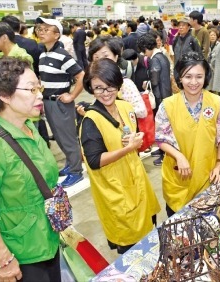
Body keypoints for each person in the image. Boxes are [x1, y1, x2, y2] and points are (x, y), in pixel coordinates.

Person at [0, 57, 60, 281]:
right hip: (22, 253)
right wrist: (3, 259)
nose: (40, 94)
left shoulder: (30, 130)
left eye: (39, 86)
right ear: (4, 95)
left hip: (50, 239)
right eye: (31, 89)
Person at [80, 58, 160, 254]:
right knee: (132, 248)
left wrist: (137, 136)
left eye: (110, 87)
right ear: (90, 87)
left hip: (137, 181)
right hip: (115, 189)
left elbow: (131, 132)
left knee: (149, 235)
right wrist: (128, 148)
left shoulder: (125, 107)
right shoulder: (91, 121)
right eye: (99, 88)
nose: (106, 93)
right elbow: (94, 161)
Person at [155, 52, 220, 217]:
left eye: (199, 76)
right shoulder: (167, 105)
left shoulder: (217, 103)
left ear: (206, 77)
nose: (194, 82)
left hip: (207, 177)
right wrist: (179, 156)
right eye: (188, 76)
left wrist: (219, 164)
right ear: (179, 77)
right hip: (178, 179)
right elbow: (161, 139)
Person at [36, 17, 85, 187]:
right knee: (58, 136)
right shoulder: (43, 54)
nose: (41, 32)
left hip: (60, 103)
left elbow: (81, 76)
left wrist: (71, 96)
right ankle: (71, 164)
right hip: (48, 102)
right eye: (39, 29)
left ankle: (76, 171)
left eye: (45, 29)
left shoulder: (62, 55)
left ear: (57, 35)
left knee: (68, 137)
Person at [137, 33, 172, 166]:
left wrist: (148, 83)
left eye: (143, 50)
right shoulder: (162, 56)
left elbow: (155, 79)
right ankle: (162, 150)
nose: (143, 53)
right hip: (165, 94)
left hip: (160, 96)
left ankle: (165, 154)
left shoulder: (154, 59)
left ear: (147, 47)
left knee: (162, 126)